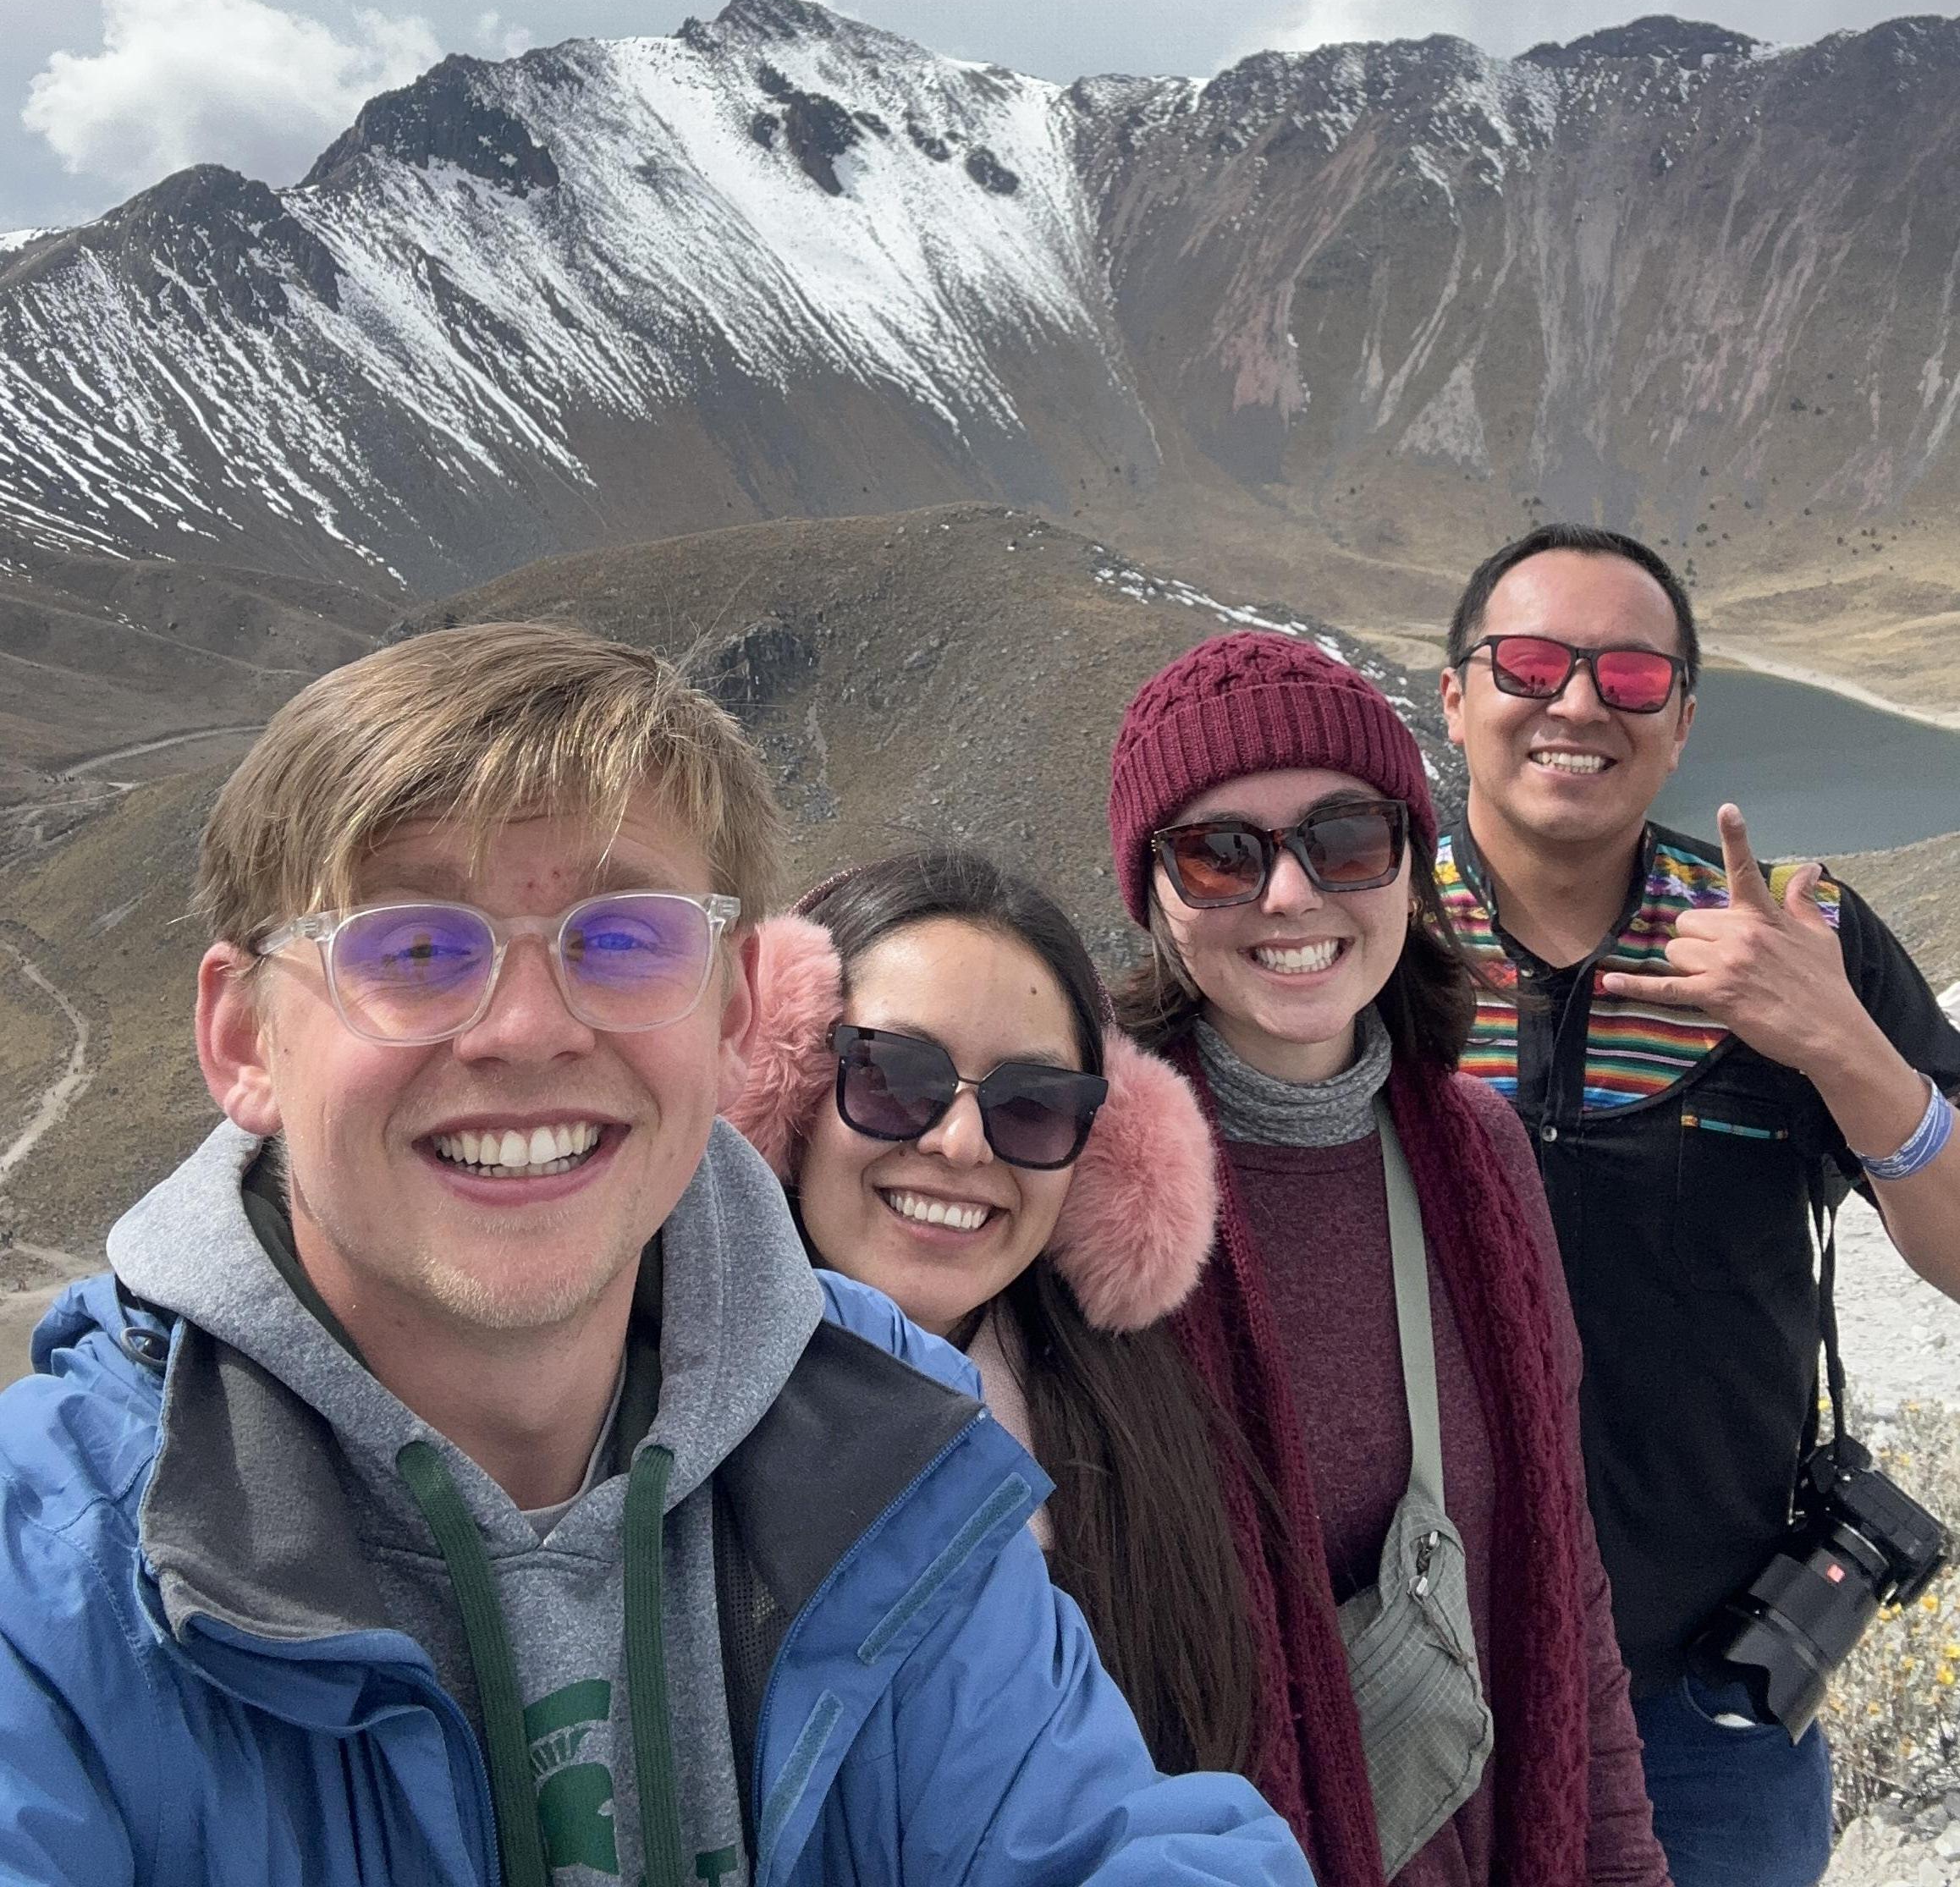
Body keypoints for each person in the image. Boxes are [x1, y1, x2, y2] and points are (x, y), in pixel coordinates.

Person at [0, 620, 1311, 1887]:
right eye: (415, 946)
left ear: (732, 1012)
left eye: (624, 941)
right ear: (243, 1040)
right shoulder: (51, 1571)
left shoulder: (880, 1446)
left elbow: (1105, 1840)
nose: (528, 1030)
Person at [1434, 522, 1960, 1887]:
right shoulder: (1360, 943)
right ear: (1454, 698)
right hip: (1407, 1681)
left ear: (1680, 721)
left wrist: (1842, 1046)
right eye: (1530, 663)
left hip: (1706, 1702)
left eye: (1628, 675)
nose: (1575, 704)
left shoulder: (1800, 939)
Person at [1107, 630, 1668, 1887]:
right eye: (1220, 853)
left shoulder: (1477, 1156)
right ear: (1150, 895)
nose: (1290, 895)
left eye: (1347, 839)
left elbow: (1560, 1582)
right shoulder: (1080, 1168)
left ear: (1411, 864)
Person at [725, 847, 1253, 1777]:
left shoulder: (1134, 1450)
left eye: (1034, 1105)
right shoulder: (650, 1435)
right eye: (894, 1076)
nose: (962, 1143)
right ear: (786, 1092)